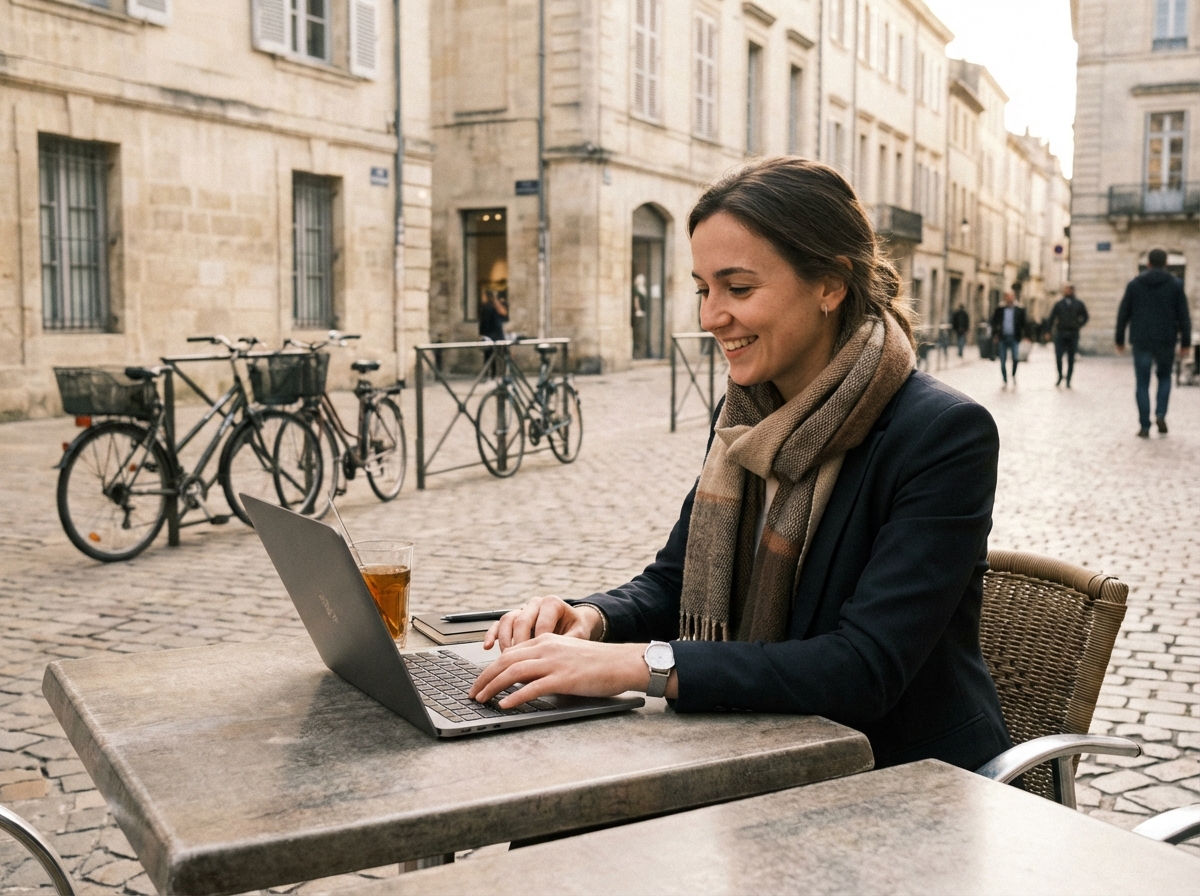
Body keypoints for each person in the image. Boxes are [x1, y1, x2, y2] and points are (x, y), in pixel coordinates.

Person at [469, 158, 1012, 773]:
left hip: (904, 778)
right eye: (704, 289)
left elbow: (864, 669)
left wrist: (636, 665)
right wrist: (592, 619)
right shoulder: (746, 419)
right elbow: (675, 582)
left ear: (831, 284)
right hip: (756, 749)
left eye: (739, 289)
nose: (710, 317)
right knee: (557, 821)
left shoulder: (941, 435)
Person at [1115, 249, 1192, 438]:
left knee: (1142, 383)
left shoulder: (1135, 284)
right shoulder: (1175, 284)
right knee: (1165, 378)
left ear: (1148, 262)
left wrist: (1119, 339)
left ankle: (1144, 426)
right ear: (1165, 263)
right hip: (1166, 339)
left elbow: (1123, 313)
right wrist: (1186, 341)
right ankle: (1160, 414)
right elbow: (1183, 315)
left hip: (1141, 339)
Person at [1045, 284, 1089, 387]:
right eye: (1066, 289)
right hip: (1060, 333)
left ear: (1072, 291)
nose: (1067, 291)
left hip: (1073, 334)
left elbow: (1085, 317)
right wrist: (1048, 331)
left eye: (1069, 290)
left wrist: (1078, 325)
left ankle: (1069, 379)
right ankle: (1060, 376)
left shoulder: (1078, 304)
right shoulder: (1059, 304)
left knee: (1071, 358)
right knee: (1059, 357)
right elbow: (1051, 318)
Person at [990, 292, 1026, 387]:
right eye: (1008, 297)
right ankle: (1005, 378)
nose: (1010, 299)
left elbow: (1024, 324)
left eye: (1011, 297)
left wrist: (1026, 336)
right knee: (1002, 360)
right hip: (1003, 337)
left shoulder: (1019, 310)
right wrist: (995, 335)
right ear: (1005, 298)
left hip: (1014, 338)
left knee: (1015, 358)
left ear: (1014, 297)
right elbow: (994, 322)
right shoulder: (1000, 310)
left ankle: (1013, 375)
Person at [478, 289, 509, 376]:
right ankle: (500, 374)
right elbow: (503, 319)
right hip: (498, 334)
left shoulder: (486, 307)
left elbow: (485, 322)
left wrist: (481, 333)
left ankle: (489, 374)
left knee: (488, 356)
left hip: (490, 335)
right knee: (499, 355)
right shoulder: (496, 307)